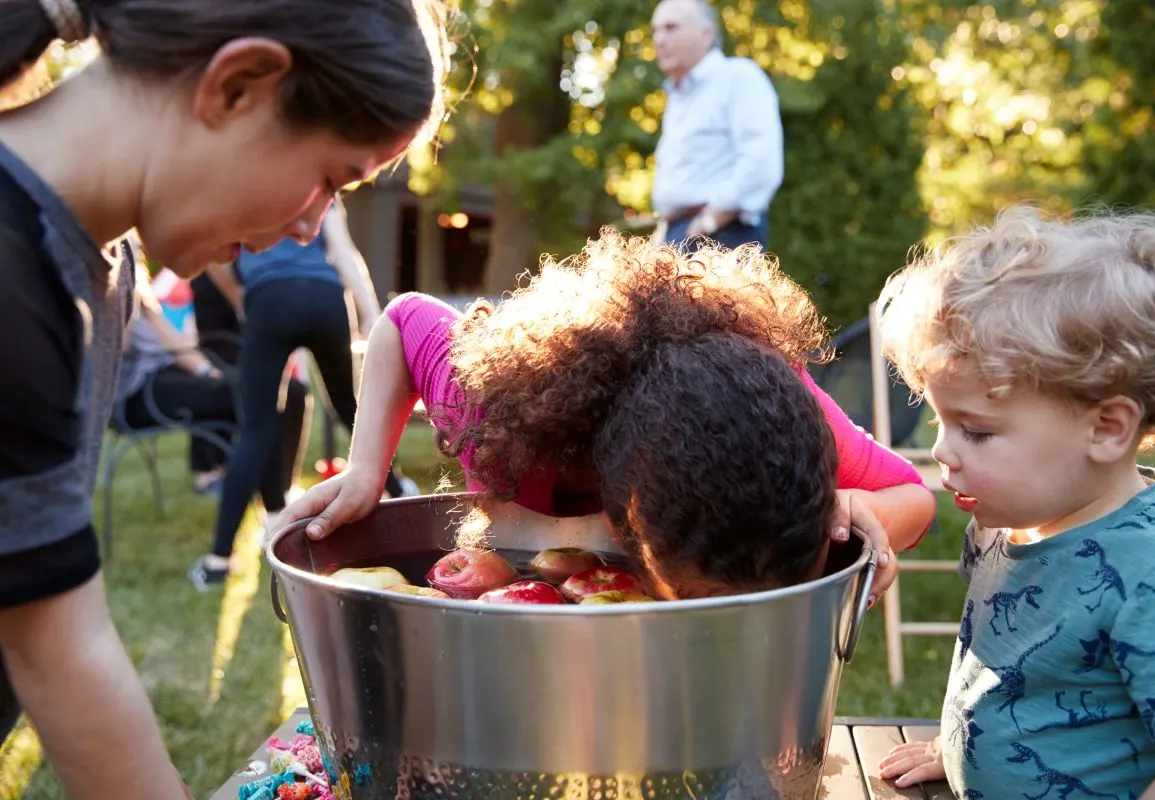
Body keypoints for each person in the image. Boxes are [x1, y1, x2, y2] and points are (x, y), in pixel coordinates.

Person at [0, 0, 447, 794]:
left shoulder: (104, 269)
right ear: (237, 86)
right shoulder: (11, 277)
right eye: (330, 180)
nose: (314, 229)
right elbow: (51, 647)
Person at [277, 232, 936, 601]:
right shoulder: (503, 418)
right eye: (695, 598)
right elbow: (402, 321)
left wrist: (859, 506)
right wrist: (368, 469)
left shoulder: (772, 414)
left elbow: (914, 495)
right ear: (637, 520)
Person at [874, 207, 1155, 799]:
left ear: (1105, 428)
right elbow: (1023, 676)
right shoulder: (1012, 523)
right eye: (940, 419)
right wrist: (964, 747)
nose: (942, 450)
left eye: (975, 430)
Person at [189, 199, 420, 589]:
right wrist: (372, 314)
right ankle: (399, 495)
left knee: (256, 427)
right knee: (351, 406)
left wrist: (240, 298)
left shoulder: (239, 185)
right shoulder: (318, 184)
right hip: (326, 296)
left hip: (269, 299)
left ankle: (218, 560)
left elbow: (211, 259)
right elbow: (343, 250)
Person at [117, 260, 310, 503]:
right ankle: (271, 494)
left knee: (286, 390)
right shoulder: (118, 283)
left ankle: (277, 488)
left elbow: (172, 342)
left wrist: (208, 371)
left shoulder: (138, 286)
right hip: (137, 393)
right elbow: (116, 347)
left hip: (166, 374)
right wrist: (125, 298)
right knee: (269, 393)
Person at [649, 0, 783, 251]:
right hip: (680, 234)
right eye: (655, 30)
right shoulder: (678, 96)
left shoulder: (738, 78)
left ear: (706, 33)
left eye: (671, 27)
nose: (659, 39)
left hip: (720, 236)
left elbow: (761, 162)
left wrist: (708, 222)